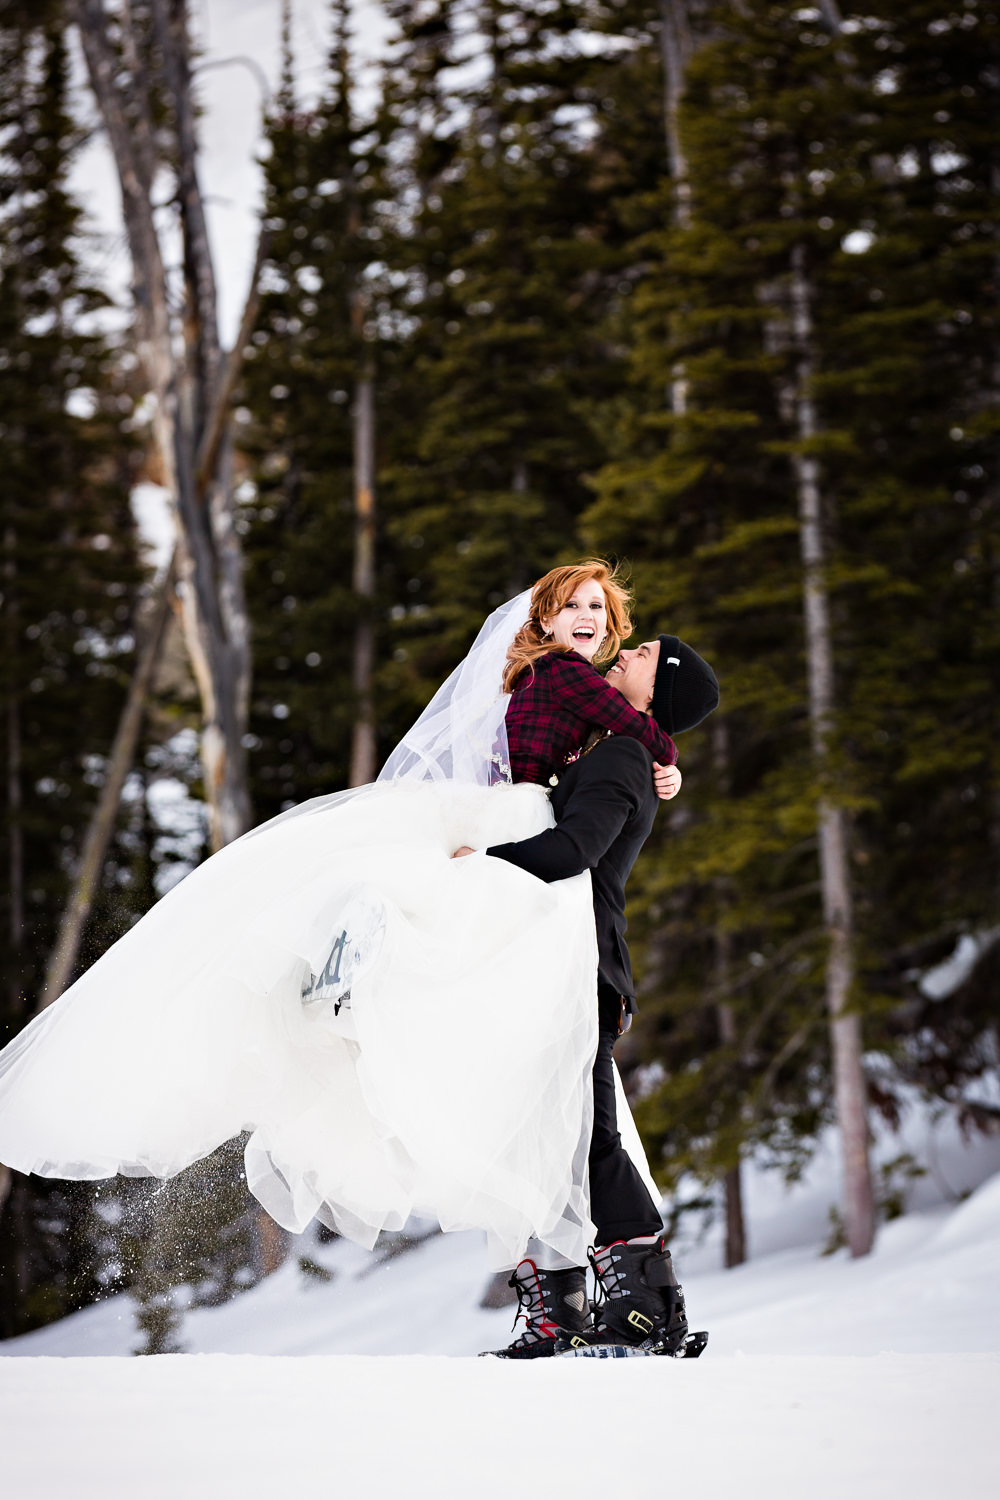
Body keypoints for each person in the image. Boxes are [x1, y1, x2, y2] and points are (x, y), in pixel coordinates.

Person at [0, 560, 678, 1282]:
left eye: (602, 615)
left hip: (523, 832)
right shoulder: (575, 684)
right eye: (575, 606)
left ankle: (595, 1281)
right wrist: (667, 757)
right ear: (543, 618)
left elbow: (594, 783)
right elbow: (630, 738)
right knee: (450, 916)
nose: (593, 622)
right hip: (514, 814)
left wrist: (644, 758)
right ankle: (360, 981)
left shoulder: (578, 709)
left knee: (558, 1097)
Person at [466, 633, 720, 1358]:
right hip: (555, 972)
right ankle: (561, 1313)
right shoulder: (607, 751)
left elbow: (569, 854)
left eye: (643, 654)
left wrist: (475, 864)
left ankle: (647, 1310)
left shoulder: (622, 757)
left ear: (658, 686)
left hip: (583, 974)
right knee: (548, 1142)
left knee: (591, 1141)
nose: (624, 653)